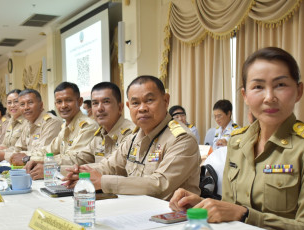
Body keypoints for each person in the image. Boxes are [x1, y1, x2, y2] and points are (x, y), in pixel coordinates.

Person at [169, 47, 304, 230]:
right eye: (258, 87)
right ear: (245, 96)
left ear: (299, 91)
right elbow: (230, 207)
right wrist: (202, 205)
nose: (269, 97)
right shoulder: (237, 142)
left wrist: (245, 215)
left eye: (281, 84)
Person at [64, 75, 201, 201]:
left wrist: (103, 182)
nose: (142, 108)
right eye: (135, 103)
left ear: (165, 101)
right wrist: (79, 173)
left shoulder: (181, 139)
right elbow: (108, 166)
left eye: (149, 100)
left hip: (172, 217)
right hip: (137, 210)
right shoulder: (134, 139)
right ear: (129, 106)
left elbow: (160, 184)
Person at [41, 82, 135, 180]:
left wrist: (54, 169)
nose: (100, 108)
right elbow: (81, 157)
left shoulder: (131, 133)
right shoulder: (100, 134)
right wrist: (48, 164)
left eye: (106, 102)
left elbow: (110, 167)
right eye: (95, 103)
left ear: (120, 107)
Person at [24, 82, 98, 179]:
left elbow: (75, 159)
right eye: (59, 102)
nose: (63, 106)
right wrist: (28, 158)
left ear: (80, 102)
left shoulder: (88, 126)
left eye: (68, 100)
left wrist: (38, 160)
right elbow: (49, 149)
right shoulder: (65, 126)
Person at [0, 89, 62, 164]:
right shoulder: (29, 122)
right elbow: (18, 148)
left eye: (30, 103)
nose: (26, 107)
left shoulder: (51, 122)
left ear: (41, 105)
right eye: (22, 104)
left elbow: (41, 153)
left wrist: (4, 155)